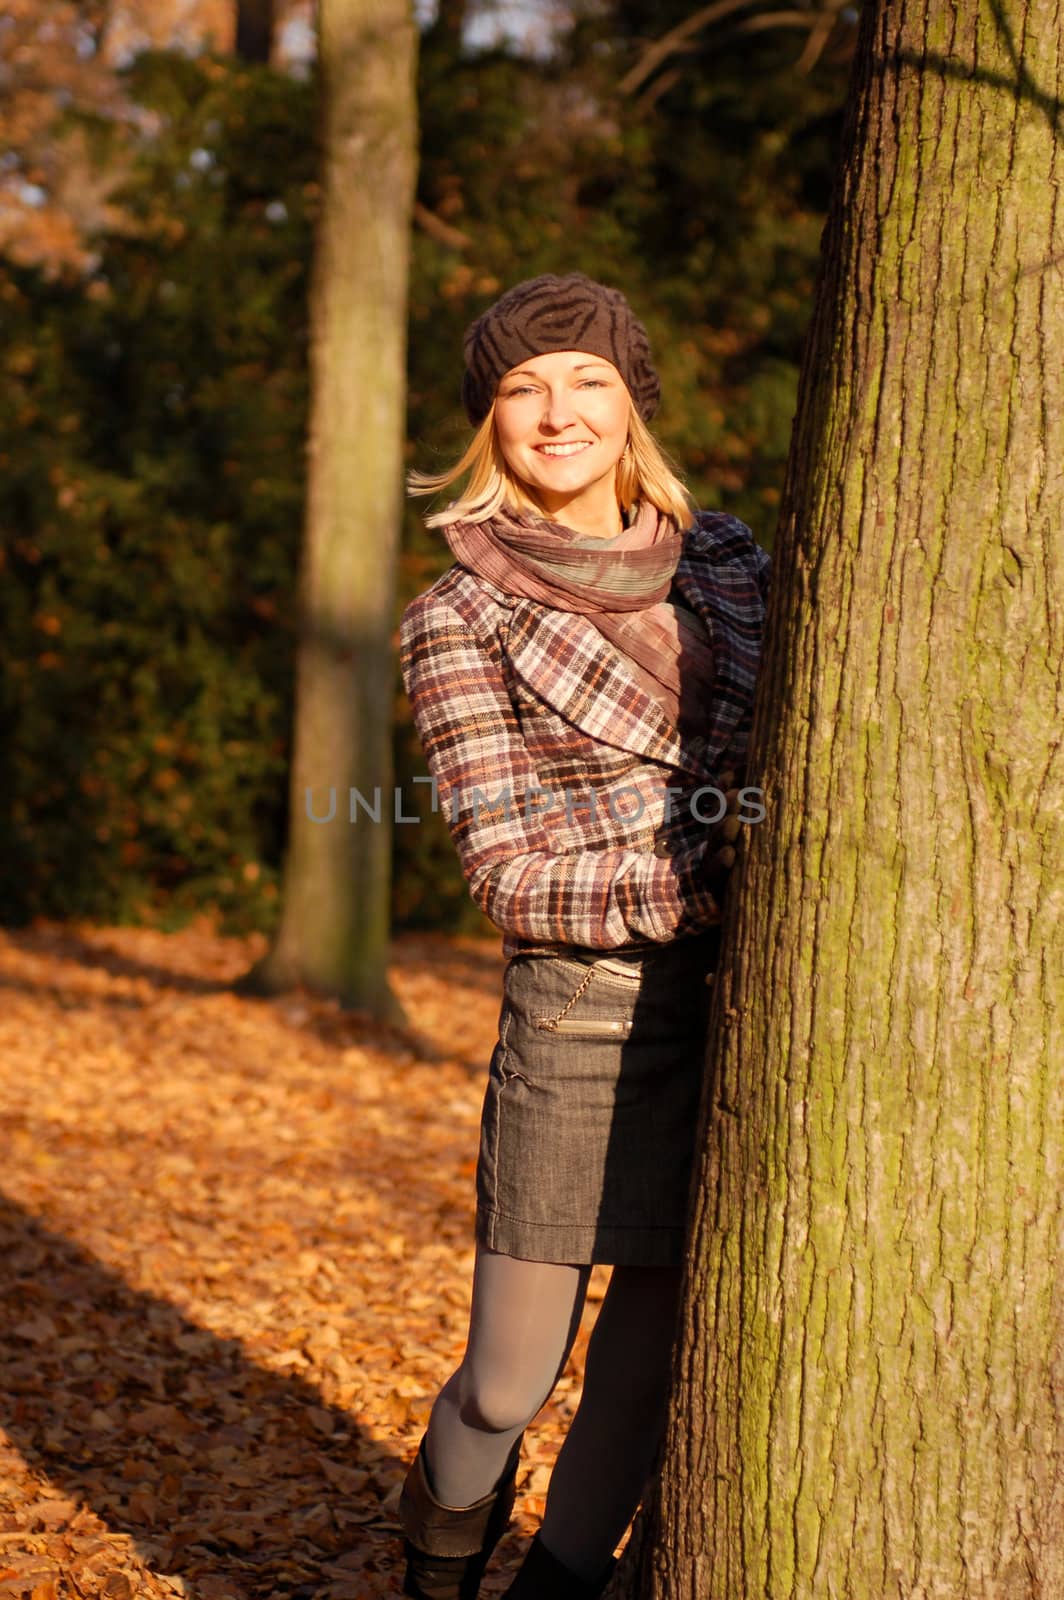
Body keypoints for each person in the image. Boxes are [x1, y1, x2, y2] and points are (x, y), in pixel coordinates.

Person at [395, 272, 770, 1600]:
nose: (556, 414)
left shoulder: (730, 561)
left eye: (586, 382)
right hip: (581, 1013)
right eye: (520, 390)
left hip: (747, 1006)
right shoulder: (458, 617)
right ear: (487, 423)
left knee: (650, 1351)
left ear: (634, 404)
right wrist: (686, 881)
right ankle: (432, 1577)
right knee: (508, 1378)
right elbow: (504, 875)